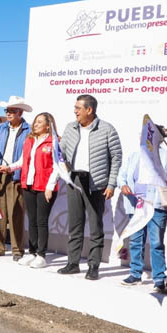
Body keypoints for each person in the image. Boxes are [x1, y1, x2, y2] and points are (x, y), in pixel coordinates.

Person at [58, 94, 122, 280]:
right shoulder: (70, 128)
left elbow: (116, 158)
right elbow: (61, 153)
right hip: (75, 180)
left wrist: (111, 184)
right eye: (75, 107)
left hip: (97, 183)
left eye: (78, 108)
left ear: (89, 110)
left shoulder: (107, 129)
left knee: (95, 226)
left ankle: (93, 266)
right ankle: (73, 263)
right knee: (75, 224)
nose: (75, 111)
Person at [116, 124, 167, 291]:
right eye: (142, 134)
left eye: (147, 134)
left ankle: (159, 278)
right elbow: (122, 176)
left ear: (157, 137)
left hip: (157, 206)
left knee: (156, 242)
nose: (143, 137)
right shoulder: (134, 155)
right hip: (136, 204)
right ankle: (135, 273)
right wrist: (123, 185)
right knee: (135, 241)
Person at [8, 112, 59, 268]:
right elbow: (23, 160)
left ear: (48, 125)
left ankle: (41, 255)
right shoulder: (29, 140)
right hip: (29, 185)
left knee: (41, 221)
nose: (35, 124)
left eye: (39, 122)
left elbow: (58, 166)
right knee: (32, 220)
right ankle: (32, 253)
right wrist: (10, 167)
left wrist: (50, 187)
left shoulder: (54, 142)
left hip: (45, 187)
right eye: (35, 121)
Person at [0, 96, 33, 261]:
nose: (8, 113)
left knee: (16, 212)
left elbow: (27, 155)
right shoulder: (0, 128)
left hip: (16, 174)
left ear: (20, 112)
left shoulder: (28, 130)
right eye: (7, 110)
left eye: (11, 111)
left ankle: (17, 250)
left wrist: (12, 167)